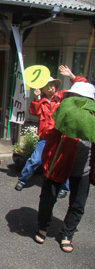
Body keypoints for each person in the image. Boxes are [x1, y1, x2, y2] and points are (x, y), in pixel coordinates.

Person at [35, 81, 95, 253]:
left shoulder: (93, 116)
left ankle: (67, 233)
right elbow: (45, 133)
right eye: (73, 96)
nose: (76, 100)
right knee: (48, 198)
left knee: (78, 203)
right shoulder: (61, 111)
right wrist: (60, 125)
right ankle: (43, 225)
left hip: (83, 168)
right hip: (58, 164)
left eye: (81, 98)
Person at [14, 65, 86, 196]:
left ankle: (64, 188)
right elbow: (33, 112)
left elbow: (83, 87)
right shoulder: (40, 101)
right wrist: (37, 98)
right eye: (47, 85)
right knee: (35, 160)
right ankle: (22, 180)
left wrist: (71, 76)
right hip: (45, 138)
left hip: (60, 138)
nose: (51, 87)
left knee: (62, 162)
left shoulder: (63, 96)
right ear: (42, 89)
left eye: (52, 84)